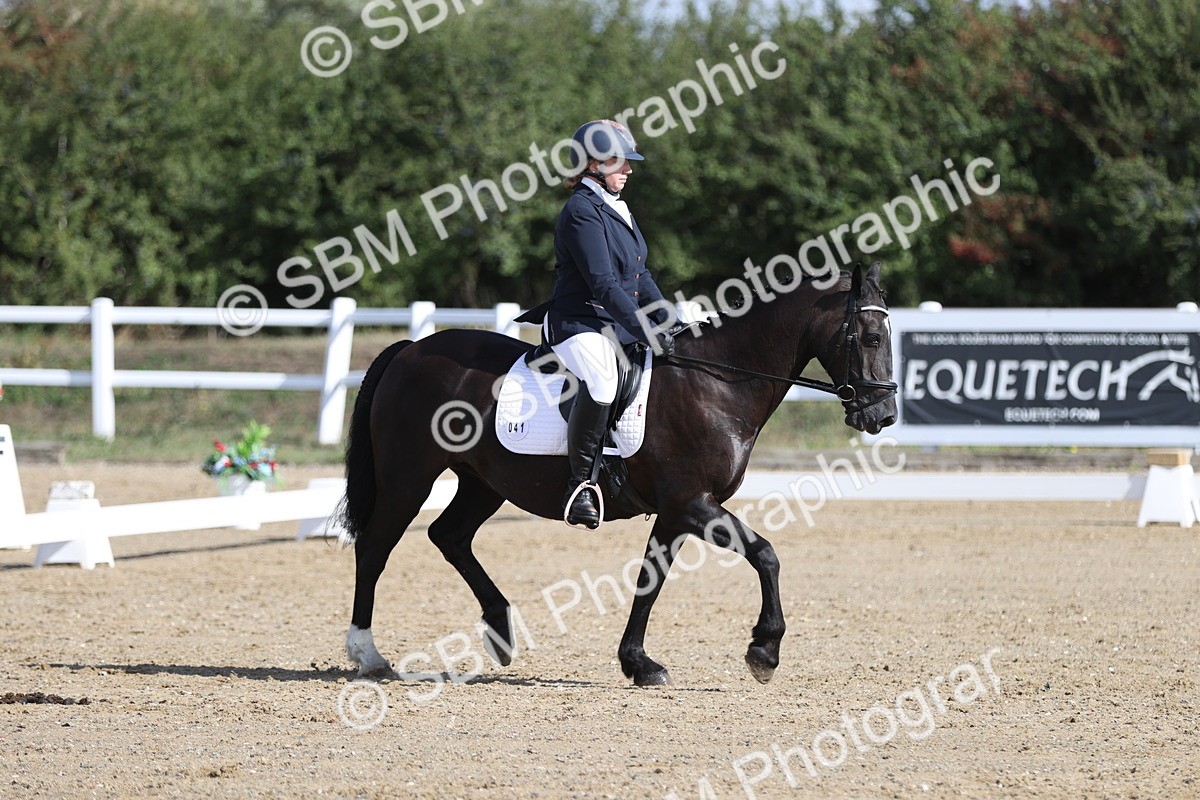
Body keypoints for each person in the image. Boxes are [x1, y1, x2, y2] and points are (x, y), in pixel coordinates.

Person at [520, 119, 675, 529]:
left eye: (627, 161)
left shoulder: (616, 208)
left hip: (614, 323)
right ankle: (580, 485)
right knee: (604, 380)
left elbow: (642, 278)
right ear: (591, 164)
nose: (628, 169)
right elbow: (604, 284)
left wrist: (669, 319)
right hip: (578, 323)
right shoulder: (580, 212)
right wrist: (646, 330)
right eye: (618, 161)